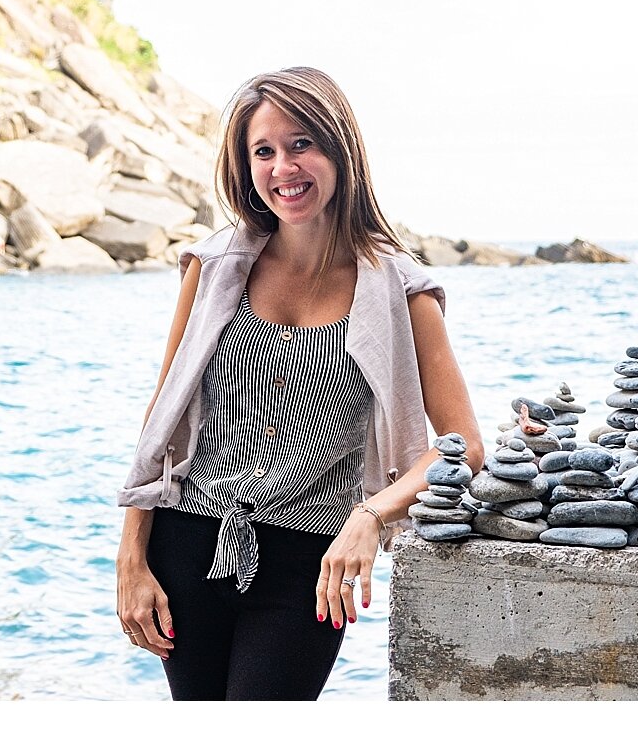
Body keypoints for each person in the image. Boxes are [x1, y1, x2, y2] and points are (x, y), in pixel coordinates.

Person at [115, 65, 484, 701]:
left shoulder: (401, 292)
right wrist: (131, 559)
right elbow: (163, 418)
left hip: (311, 561)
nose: (284, 167)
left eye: (301, 144)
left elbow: (463, 447)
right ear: (245, 166)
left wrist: (370, 515)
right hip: (186, 542)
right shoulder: (212, 270)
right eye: (265, 151)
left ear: (340, 149)